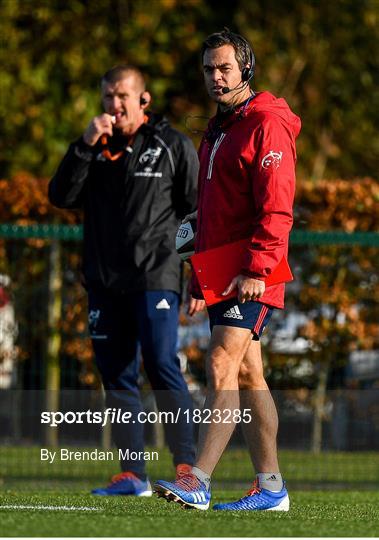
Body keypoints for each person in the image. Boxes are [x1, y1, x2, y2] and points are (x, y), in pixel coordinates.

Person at [154, 30, 301, 511]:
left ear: (246, 69)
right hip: (224, 269)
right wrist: (200, 275)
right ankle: (272, 487)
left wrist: (259, 266)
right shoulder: (219, 128)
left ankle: (198, 479)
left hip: (253, 269)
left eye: (225, 69)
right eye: (209, 70)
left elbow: (277, 206)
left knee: (220, 363)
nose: (216, 78)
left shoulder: (267, 124)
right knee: (250, 373)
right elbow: (213, 211)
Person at [49, 65, 198, 496]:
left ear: (143, 100)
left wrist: (200, 278)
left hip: (156, 276)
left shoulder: (171, 145)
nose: (114, 106)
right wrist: (82, 145)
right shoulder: (92, 149)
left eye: (122, 97)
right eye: (108, 97)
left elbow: (195, 213)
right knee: (116, 374)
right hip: (104, 281)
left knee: (161, 363)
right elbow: (60, 196)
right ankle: (133, 474)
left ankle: (187, 467)